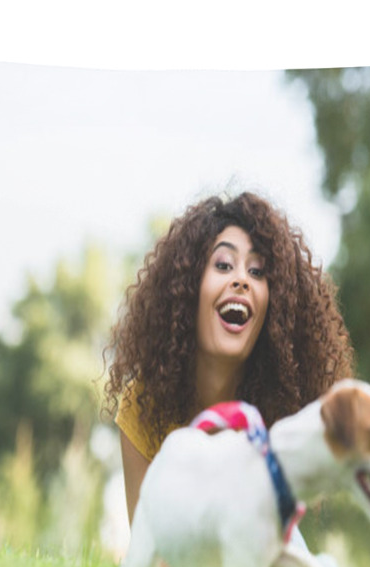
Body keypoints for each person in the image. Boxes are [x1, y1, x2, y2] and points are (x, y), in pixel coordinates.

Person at [103, 191, 354, 524]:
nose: (241, 280)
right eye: (223, 265)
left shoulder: (276, 423)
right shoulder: (144, 405)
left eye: (257, 271)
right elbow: (149, 556)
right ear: (188, 288)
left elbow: (261, 565)